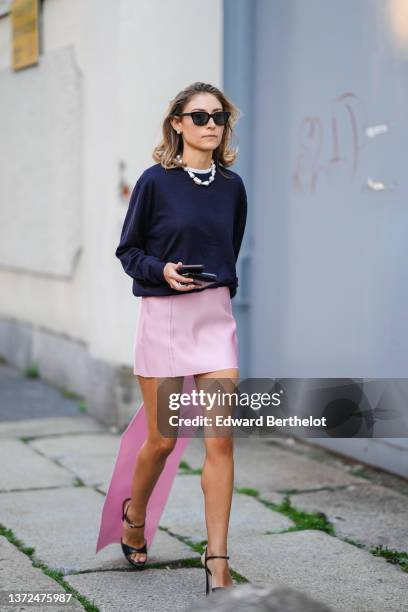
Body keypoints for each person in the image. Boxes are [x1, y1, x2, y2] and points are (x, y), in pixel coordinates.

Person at [97, 81, 247, 596]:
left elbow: (230, 249)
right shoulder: (155, 182)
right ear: (177, 124)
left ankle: (218, 559)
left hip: (214, 320)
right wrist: (162, 270)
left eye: (219, 117)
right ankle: (134, 515)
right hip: (163, 319)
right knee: (161, 441)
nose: (210, 125)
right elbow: (128, 251)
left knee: (221, 439)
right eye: (199, 116)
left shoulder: (233, 187)